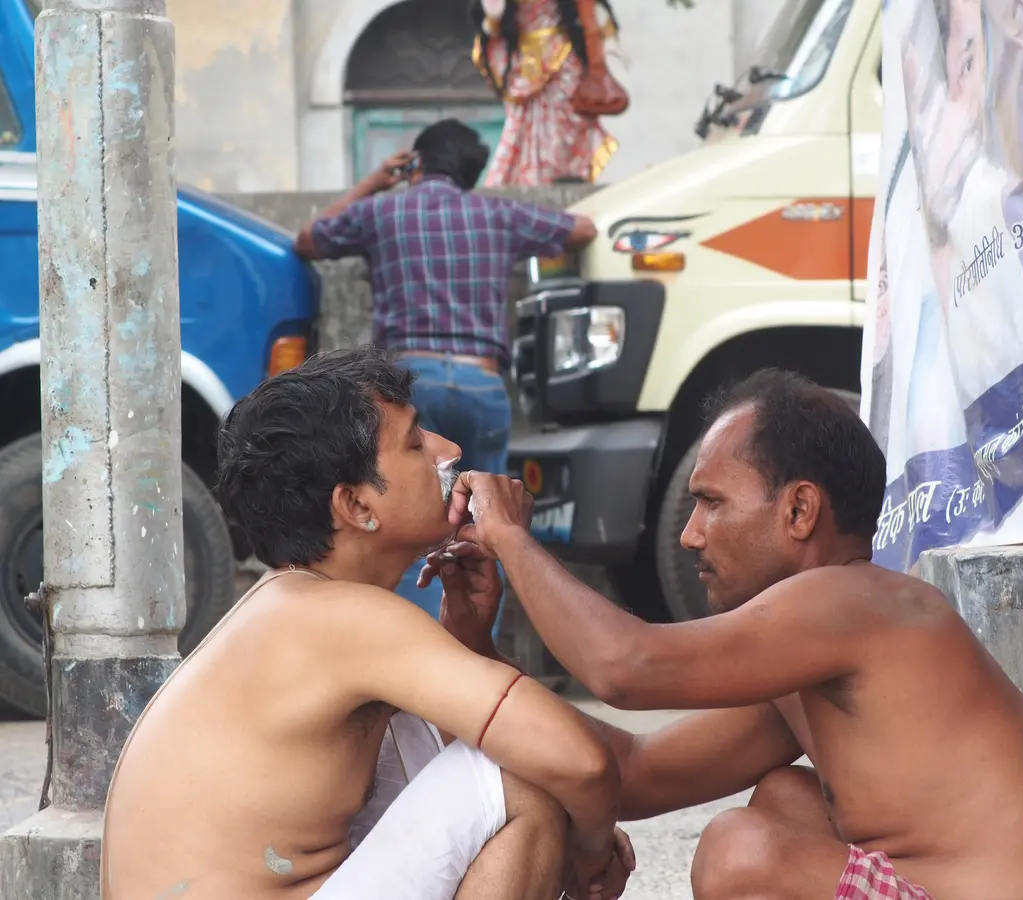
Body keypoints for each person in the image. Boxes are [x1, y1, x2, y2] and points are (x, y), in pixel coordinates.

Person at [430, 368, 1023, 900]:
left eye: (710, 502)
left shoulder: (853, 602)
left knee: (742, 851)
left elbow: (625, 667)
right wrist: (477, 644)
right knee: (784, 799)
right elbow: (635, 775)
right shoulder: (809, 649)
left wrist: (513, 541)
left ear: (799, 510)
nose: (689, 533)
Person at [100, 347, 634, 900]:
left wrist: (470, 640)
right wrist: (588, 856)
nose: (449, 452)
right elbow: (581, 763)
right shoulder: (343, 619)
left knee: (463, 747)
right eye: (416, 440)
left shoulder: (297, 605)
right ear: (356, 506)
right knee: (522, 777)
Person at [294, 118, 598, 627]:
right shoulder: (497, 214)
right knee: (487, 523)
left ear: (418, 163)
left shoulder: (381, 211)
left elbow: (307, 241)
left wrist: (375, 181)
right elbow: (583, 229)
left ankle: (415, 658)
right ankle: (479, 651)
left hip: (411, 390)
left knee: (412, 520)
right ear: (468, 172)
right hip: (483, 385)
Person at [470, 0, 623, 186]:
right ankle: (528, 179)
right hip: (523, 62)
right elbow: (493, 24)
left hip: (562, 59)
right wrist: (493, 18)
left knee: (564, 123)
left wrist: (607, 44)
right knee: (522, 123)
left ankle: (565, 173)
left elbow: (590, 9)